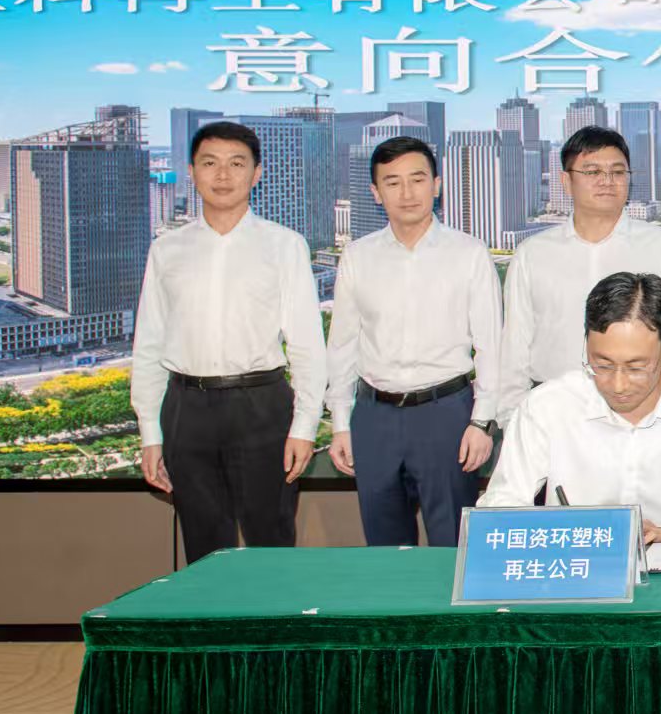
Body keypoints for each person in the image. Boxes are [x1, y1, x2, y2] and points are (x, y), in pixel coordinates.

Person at [131, 120, 325, 564]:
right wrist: (150, 432)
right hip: (186, 408)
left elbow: (307, 347)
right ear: (191, 172)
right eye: (210, 163)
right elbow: (149, 345)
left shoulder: (284, 246)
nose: (222, 175)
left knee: (271, 543)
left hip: (261, 405)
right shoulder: (167, 249)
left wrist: (304, 427)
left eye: (236, 164)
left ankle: (273, 612)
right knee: (202, 546)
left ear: (256, 174)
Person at [482, 272, 661, 545]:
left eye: (636, 367)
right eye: (602, 365)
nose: (618, 385)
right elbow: (502, 502)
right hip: (578, 559)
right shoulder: (547, 406)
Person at [324, 135, 504, 548]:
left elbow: (490, 346)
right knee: (384, 547)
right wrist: (341, 423)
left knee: (452, 546)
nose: (407, 193)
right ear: (376, 192)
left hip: (446, 414)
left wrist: (482, 422)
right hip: (374, 417)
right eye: (393, 182)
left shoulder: (469, 253)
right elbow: (343, 346)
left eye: (417, 179)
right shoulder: (358, 256)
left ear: (436, 185)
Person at [500, 125, 661, 419]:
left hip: (639, 409)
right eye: (592, 172)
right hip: (554, 411)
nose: (607, 181)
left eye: (617, 172)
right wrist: (511, 420)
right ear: (566, 181)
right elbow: (514, 348)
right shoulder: (532, 253)